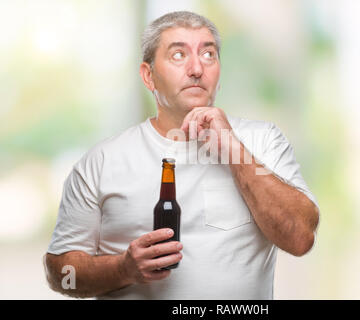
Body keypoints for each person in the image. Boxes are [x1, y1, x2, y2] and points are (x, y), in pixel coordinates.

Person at [43, 11, 320, 300]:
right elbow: (60, 276)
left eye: (209, 54)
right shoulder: (101, 162)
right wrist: (123, 268)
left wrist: (233, 147)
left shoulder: (262, 142)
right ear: (148, 76)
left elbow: (300, 237)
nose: (197, 68)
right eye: (178, 55)